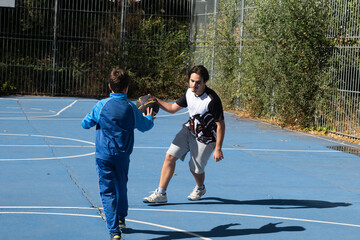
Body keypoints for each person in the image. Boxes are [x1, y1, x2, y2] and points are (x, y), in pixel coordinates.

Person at [82, 68, 155, 240]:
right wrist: (150, 117)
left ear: (109, 86)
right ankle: (121, 217)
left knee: (107, 191)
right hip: (123, 156)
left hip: (104, 155)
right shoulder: (131, 108)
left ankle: (114, 231)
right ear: (127, 88)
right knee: (121, 186)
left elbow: (85, 124)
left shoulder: (101, 105)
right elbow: (146, 127)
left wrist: (91, 119)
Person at [143, 65, 225, 203]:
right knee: (169, 156)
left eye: (198, 82)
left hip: (206, 138)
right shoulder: (189, 93)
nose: (194, 85)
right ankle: (161, 193)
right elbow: (172, 108)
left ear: (205, 82)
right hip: (189, 130)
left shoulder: (212, 100)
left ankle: (200, 187)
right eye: (192, 81)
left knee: (195, 169)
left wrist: (218, 148)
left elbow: (220, 125)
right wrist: (155, 100)